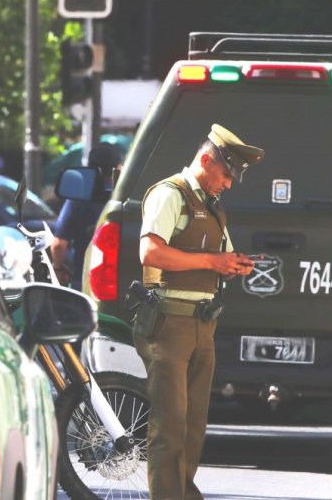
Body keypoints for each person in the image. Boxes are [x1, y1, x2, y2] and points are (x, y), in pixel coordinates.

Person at [135, 123, 263, 500]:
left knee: (193, 429)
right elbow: (150, 252)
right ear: (206, 160)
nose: (228, 184)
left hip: (202, 324)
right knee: (169, 429)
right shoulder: (169, 194)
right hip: (169, 324)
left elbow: (214, 260)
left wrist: (233, 264)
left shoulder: (211, 207)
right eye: (226, 174)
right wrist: (212, 260)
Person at [50, 142, 123, 290]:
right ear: (118, 168)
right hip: (121, 285)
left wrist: (57, 268)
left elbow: (58, 245)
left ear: (89, 167)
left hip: (83, 281)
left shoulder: (78, 198)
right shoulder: (126, 197)